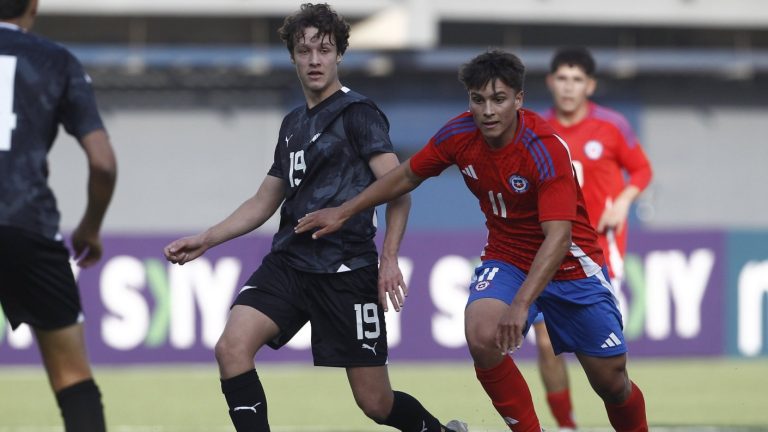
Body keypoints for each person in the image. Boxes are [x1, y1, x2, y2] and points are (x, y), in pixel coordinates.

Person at [296, 49, 649, 432]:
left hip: (570, 266)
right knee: (482, 334)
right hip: (508, 257)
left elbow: (559, 238)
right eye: (478, 100)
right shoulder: (459, 134)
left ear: (518, 99)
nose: (488, 111)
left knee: (611, 383)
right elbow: (406, 176)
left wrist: (520, 305)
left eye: (499, 99)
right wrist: (344, 210)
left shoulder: (544, 147)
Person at [163, 4, 466, 432]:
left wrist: (389, 259)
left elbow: (400, 190)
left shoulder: (358, 114)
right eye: (304, 51)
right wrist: (207, 238)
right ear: (292, 56)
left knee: (375, 403)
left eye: (324, 50)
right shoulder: (292, 124)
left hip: (347, 271)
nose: (314, 60)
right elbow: (264, 200)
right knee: (231, 348)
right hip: (290, 264)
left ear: (339, 54)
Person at [0, 0, 117, 431]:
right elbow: (103, 163)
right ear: (33, 5)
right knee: (72, 377)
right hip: (27, 223)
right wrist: (91, 227)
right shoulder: (56, 60)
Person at [528, 47, 653, 431]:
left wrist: (624, 202)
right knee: (545, 342)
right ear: (550, 82)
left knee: (602, 364)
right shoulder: (537, 130)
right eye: (562, 79)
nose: (569, 87)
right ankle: (567, 425)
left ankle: (625, 412)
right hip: (552, 248)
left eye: (577, 80)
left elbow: (642, 170)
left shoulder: (612, 126)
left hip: (599, 251)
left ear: (590, 85)